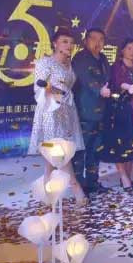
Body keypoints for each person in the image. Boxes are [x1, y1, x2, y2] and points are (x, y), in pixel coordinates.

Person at [28, 28, 88, 204]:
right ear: (55, 43)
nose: (69, 45)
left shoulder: (69, 64)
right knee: (58, 151)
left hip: (67, 112)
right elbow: (39, 88)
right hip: (51, 113)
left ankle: (49, 197)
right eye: (64, 41)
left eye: (71, 42)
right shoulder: (45, 62)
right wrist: (53, 93)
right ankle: (76, 189)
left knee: (51, 161)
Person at [98, 38, 133, 190]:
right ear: (122, 50)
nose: (132, 52)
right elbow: (117, 82)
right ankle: (124, 177)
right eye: (129, 48)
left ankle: (128, 176)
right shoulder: (116, 67)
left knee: (132, 144)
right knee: (119, 145)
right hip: (119, 109)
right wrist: (127, 87)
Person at [72, 27, 111, 195]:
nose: (97, 43)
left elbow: (108, 80)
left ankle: (92, 182)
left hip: (101, 112)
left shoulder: (103, 58)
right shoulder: (81, 58)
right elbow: (86, 79)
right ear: (86, 40)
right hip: (85, 111)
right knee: (81, 150)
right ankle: (79, 186)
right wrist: (99, 89)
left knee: (96, 149)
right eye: (93, 38)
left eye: (101, 39)